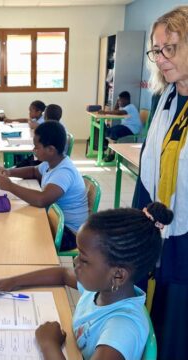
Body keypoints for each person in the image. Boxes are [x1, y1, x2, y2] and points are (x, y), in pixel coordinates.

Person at [0, 202, 174, 360]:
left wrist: (49, 344)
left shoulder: (122, 328)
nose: (75, 261)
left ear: (118, 275)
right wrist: (11, 282)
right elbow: (61, 274)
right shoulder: (103, 290)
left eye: (84, 259)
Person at [132, 6, 188, 359]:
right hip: (159, 223)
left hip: (185, 237)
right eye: (156, 49)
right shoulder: (164, 97)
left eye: (171, 48)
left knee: (177, 323)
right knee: (156, 310)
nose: (161, 58)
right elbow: (148, 168)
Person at [0, 121, 87, 250]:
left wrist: (10, 186)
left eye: (37, 147)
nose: (33, 150)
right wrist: (9, 172)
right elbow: (33, 171)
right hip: (56, 221)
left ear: (50, 150)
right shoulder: (51, 162)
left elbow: (41, 200)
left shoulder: (64, 172)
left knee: (20, 232)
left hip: (68, 233)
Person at [99, 91, 141, 161]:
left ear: (126, 100)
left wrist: (105, 112)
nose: (119, 102)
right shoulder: (123, 107)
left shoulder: (130, 107)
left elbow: (119, 113)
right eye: (118, 101)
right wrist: (117, 102)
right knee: (109, 130)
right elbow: (115, 111)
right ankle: (107, 147)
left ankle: (112, 154)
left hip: (133, 128)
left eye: (120, 101)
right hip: (126, 126)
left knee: (114, 132)